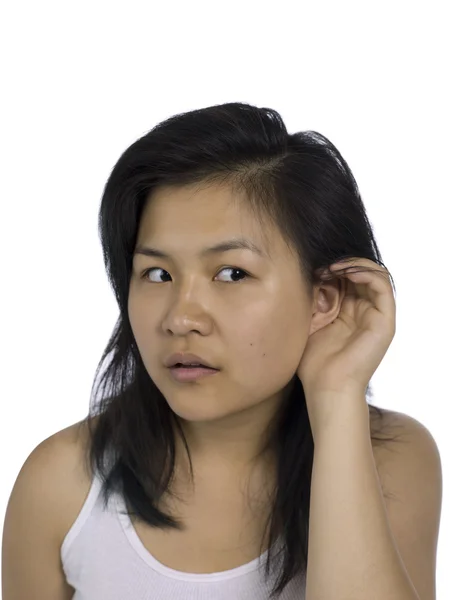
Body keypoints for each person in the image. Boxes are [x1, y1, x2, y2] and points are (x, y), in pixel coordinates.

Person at [2, 102, 441, 600]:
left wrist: (338, 393)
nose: (180, 318)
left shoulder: (392, 459)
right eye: (157, 274)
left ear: (324, 298)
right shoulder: (61, 484)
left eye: (232, 273)